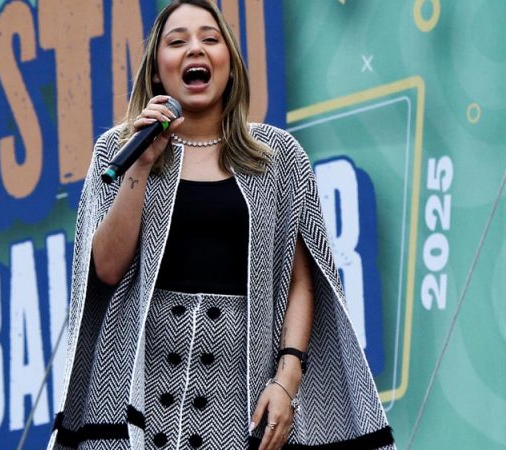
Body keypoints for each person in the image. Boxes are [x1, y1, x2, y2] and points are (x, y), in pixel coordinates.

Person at [47, 1, 395, 449]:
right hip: (135, 391)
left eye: (210, 39)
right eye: (177, 42)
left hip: (238, 396)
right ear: (157, 71)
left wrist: (286, 382)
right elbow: (108, 270)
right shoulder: (120, 149)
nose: (196, 49)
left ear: (229, 64)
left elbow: (301, 285)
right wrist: (140, 167)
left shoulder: (277, 157)